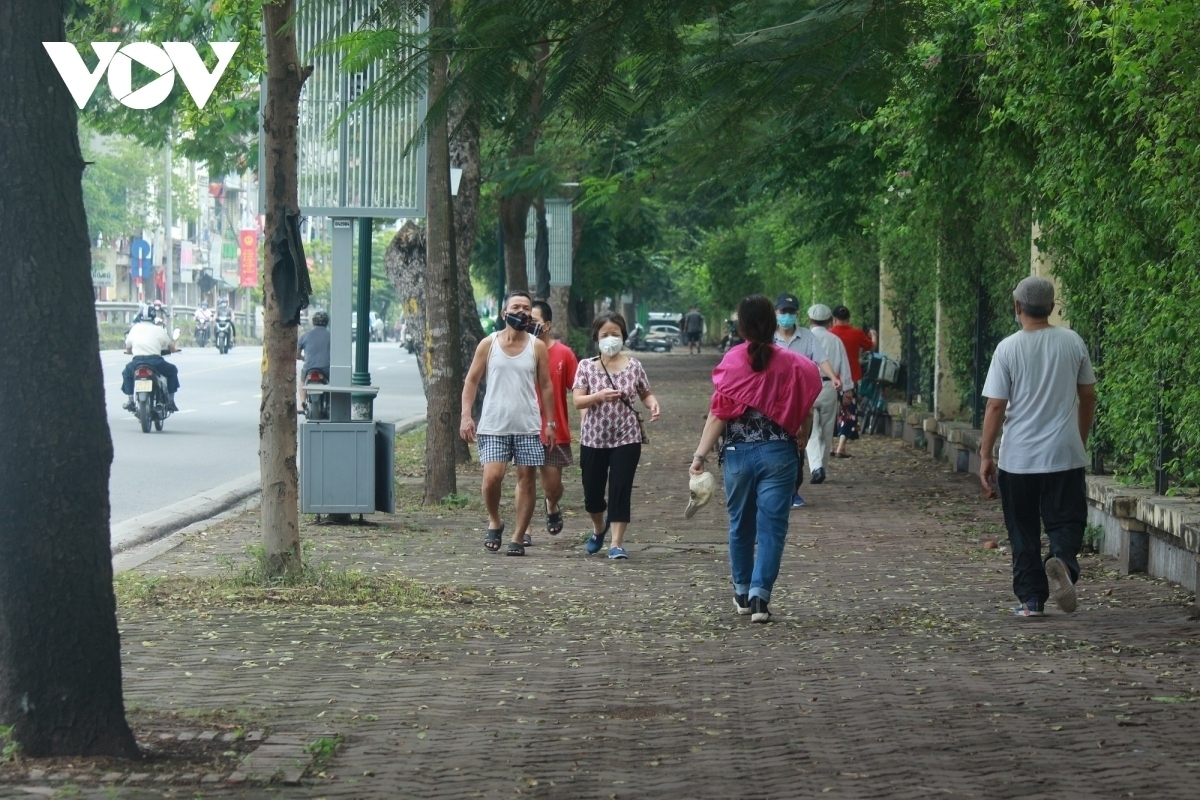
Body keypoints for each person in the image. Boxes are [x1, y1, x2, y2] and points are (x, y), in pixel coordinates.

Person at [691, 295, 822, 622]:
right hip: (780, 454)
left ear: (742, 326)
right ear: (773, 321)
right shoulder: (793, 363)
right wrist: (802, 431)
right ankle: (760, 598)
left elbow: (717, 414)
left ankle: (741, 591)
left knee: (740, 526)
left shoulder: (733, 362)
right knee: (773, 528)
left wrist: (699, 455)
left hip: (737, 456)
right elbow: (806, 406)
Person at [980, 276, 1096, 618]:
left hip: (1019, 458)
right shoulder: (1072, 342)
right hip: (1064, 452)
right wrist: (1080, 437)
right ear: (1052, 308)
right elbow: (1087, 396)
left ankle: (1031, 600)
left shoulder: (1008, 348)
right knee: (1067, 520)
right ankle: (1060, 559)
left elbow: (996, 406)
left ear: (1017, 308)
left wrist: (986, 454)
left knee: (1022, 528)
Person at [461, 291, 557, 556]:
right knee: (493, 477)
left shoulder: (536, 346)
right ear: (504, 313)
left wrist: (550, 423)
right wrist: (466, 415)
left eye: (527, 308)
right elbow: (471, 380)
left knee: (526, 480)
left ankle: (517, 537)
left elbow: (546, 385)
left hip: (527, 423)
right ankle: (495, 520)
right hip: (494, 423)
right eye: (516, 306)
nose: (522, 311)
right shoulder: (488, 344)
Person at [572, 312, 661, 559]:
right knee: (592, 493)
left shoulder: (634, 366)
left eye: (615, 334)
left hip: (627, 437)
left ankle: (617, 543)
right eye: (605, 335)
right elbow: (578, 401)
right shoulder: (586, 366)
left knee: (620, 489)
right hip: (593, 438)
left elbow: (645, 393)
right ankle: (599, 527)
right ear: (596, 338)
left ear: (623, 336)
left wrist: (652, 404)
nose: (610, 339)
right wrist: (598, 396)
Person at [773, 293, 841, 507]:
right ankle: (774, 488)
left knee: (798, 443)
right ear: (776, 313)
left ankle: (794, 490)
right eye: (783, 312)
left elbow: (821, 359)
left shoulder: (807, 337)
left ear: (798, 314)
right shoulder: (768, 338)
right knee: (773, 443)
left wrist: (833, 377)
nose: (787, 316)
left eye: (791, 312)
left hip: (799, 400)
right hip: (772, 399)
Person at [529, 300, 579, 537]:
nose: (528, 324)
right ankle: (523, 529)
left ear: (547, 324)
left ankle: (551, 504)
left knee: (552, 486)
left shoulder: (564, 354)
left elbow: (579, 390)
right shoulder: (516, 351)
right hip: (524, 428)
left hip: (553, 429)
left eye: (534, 321)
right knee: (524, 480)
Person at [806, 304, 853, 484]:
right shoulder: (835, 340)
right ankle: (822, 467)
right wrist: (847, 389)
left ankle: (816, 467)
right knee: (826, 431)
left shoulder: (805, 339)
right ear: (829, 321)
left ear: (809, 319)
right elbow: (845, 367)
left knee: (810, 429)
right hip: (829, 388)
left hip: (808, 388)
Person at [829, 305, 877, 458]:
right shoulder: (856, 333)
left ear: (834, 319)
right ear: (848, 319)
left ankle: (829, 446)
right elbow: (871, 346)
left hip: (831, 379)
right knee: (848, 413)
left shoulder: (829, 334)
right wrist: (874, 335)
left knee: (830, 413)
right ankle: (841, 447)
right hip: (850, 380)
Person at [121, 305, 179, 412]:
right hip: (155, 362)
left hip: (137, 362)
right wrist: (173, 349)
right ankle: (171, 401)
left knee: (126, 373)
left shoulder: (134, 329)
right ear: (153, 317)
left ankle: (130, 401)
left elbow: (128, 347)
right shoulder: (159, 329)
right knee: (172, 370)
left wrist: (129, 352)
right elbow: (170, 346)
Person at [297, 310, 331, 411]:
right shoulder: (331, 335)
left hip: (309, 368)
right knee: (333, 383)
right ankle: (331, 404)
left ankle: (302, 403)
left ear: (313, 322)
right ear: (327, 322)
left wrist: (303, 358)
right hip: (326, 368)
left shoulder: (305, 335)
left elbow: (296, 354)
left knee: (302, 381)